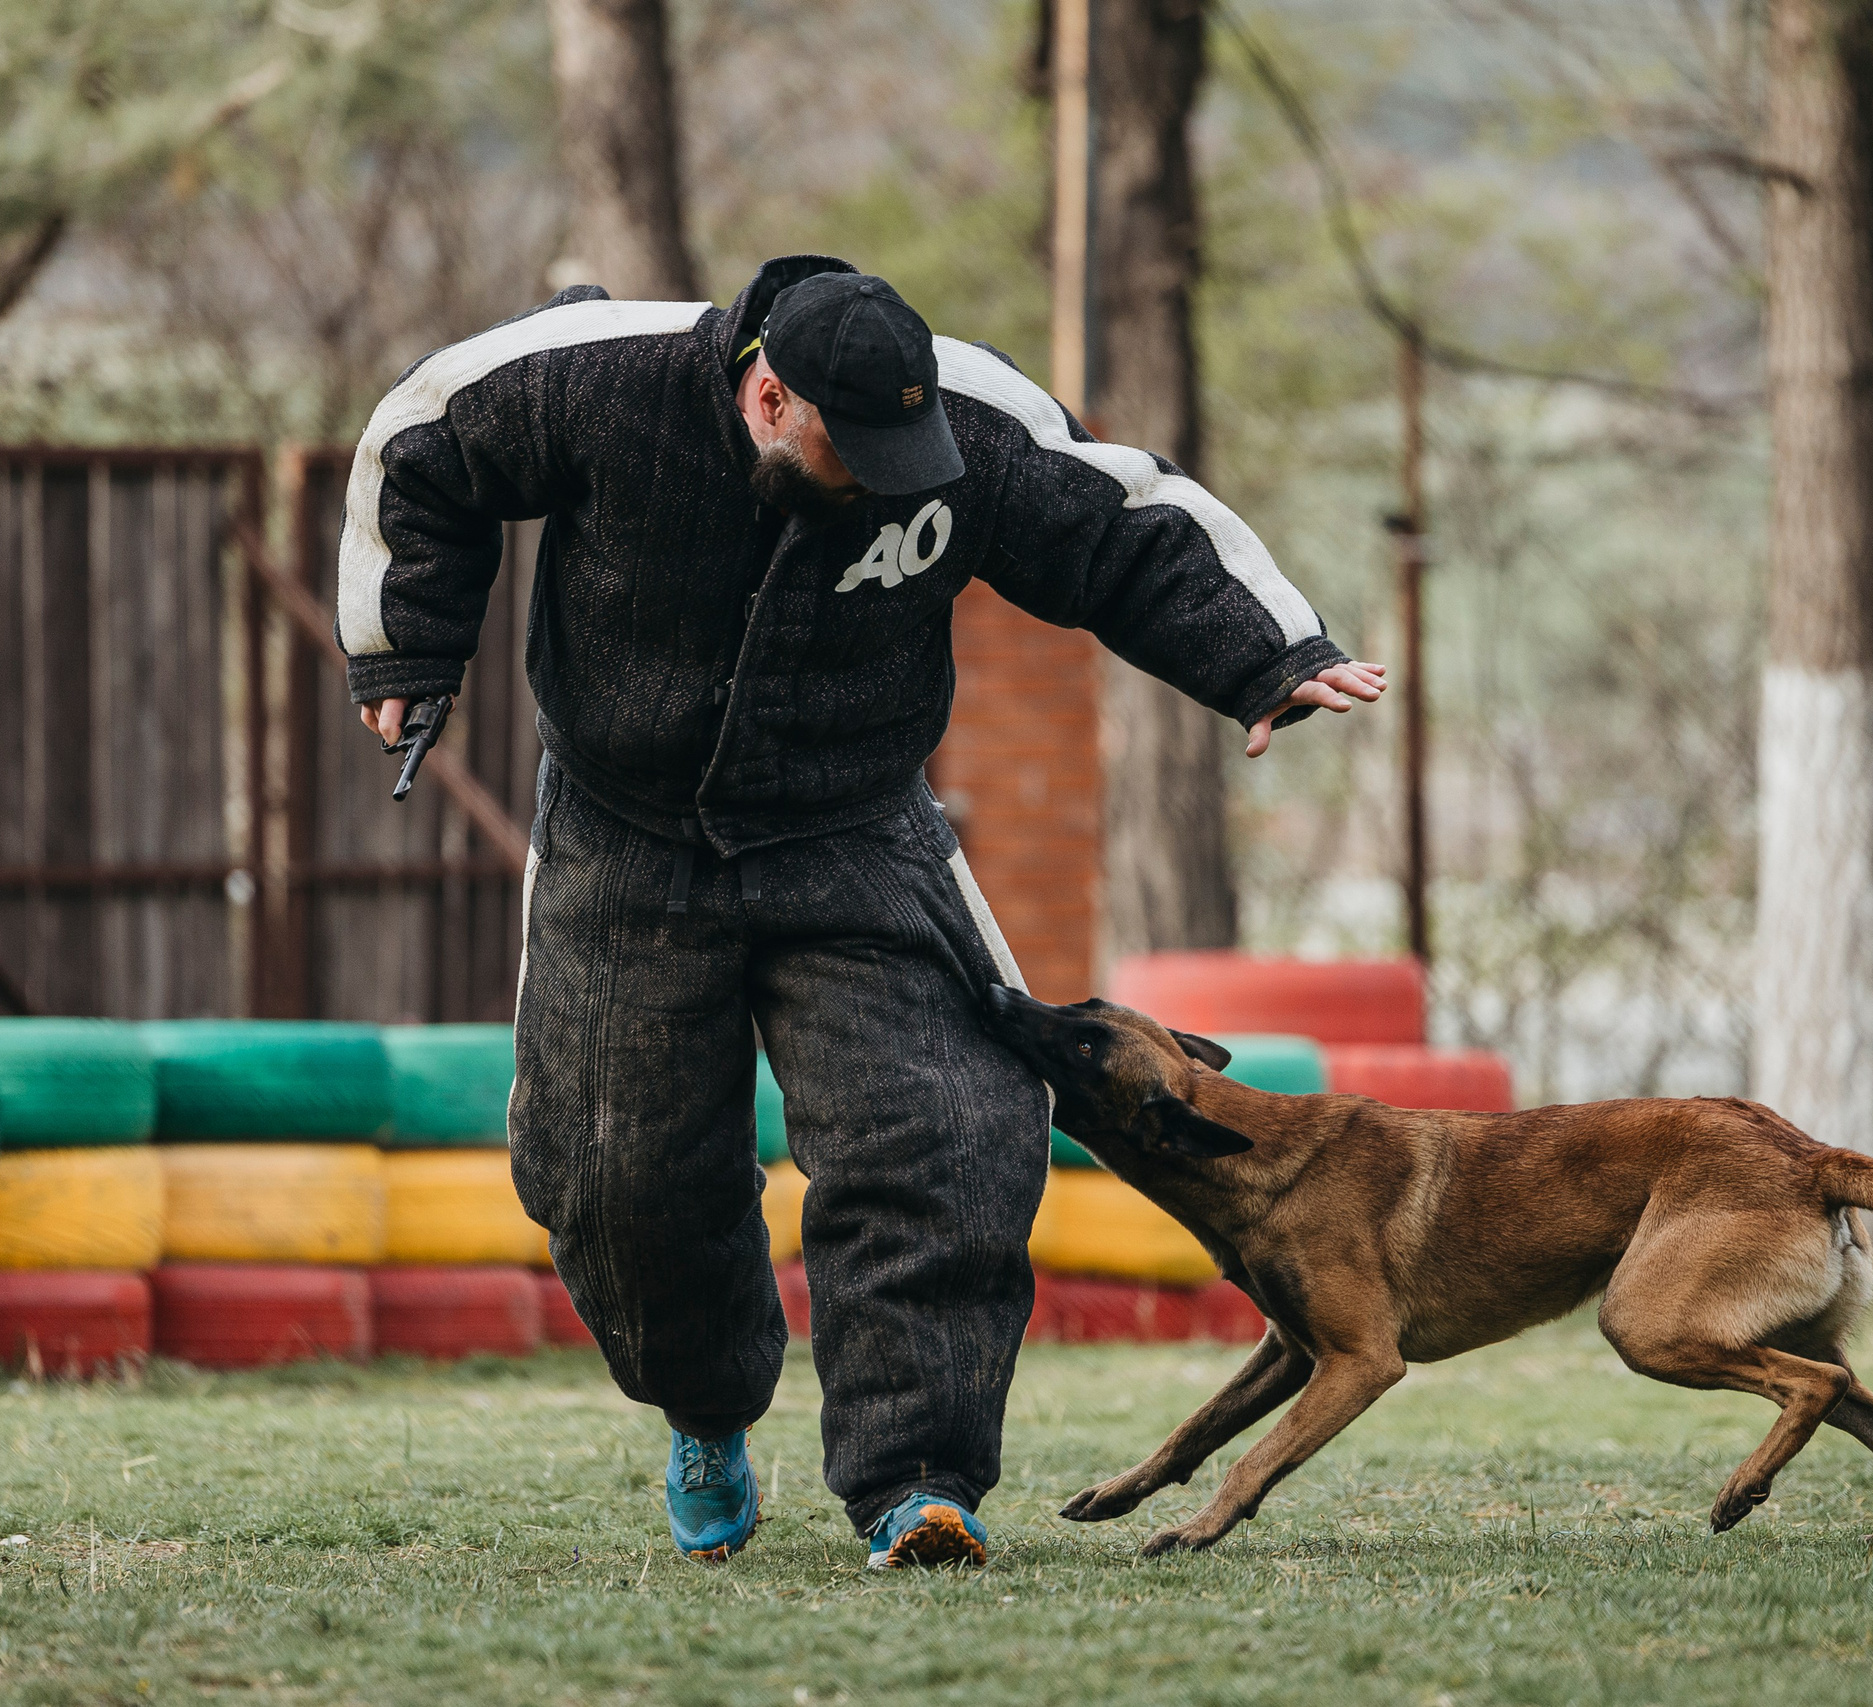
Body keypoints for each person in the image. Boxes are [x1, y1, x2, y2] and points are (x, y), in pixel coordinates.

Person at [339, 254, 1382, 1569]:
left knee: (946, 1131)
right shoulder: (594, 384)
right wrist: (409, 645)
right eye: (853, 451)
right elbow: (416, 442)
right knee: (612, 1173)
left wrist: (1271, 656)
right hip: (626, 832)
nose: (887, 476)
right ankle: (709, 1411)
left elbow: (1122, 520)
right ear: (767, 396)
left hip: (855, 828)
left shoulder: (960, 420)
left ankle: (918, 1481)